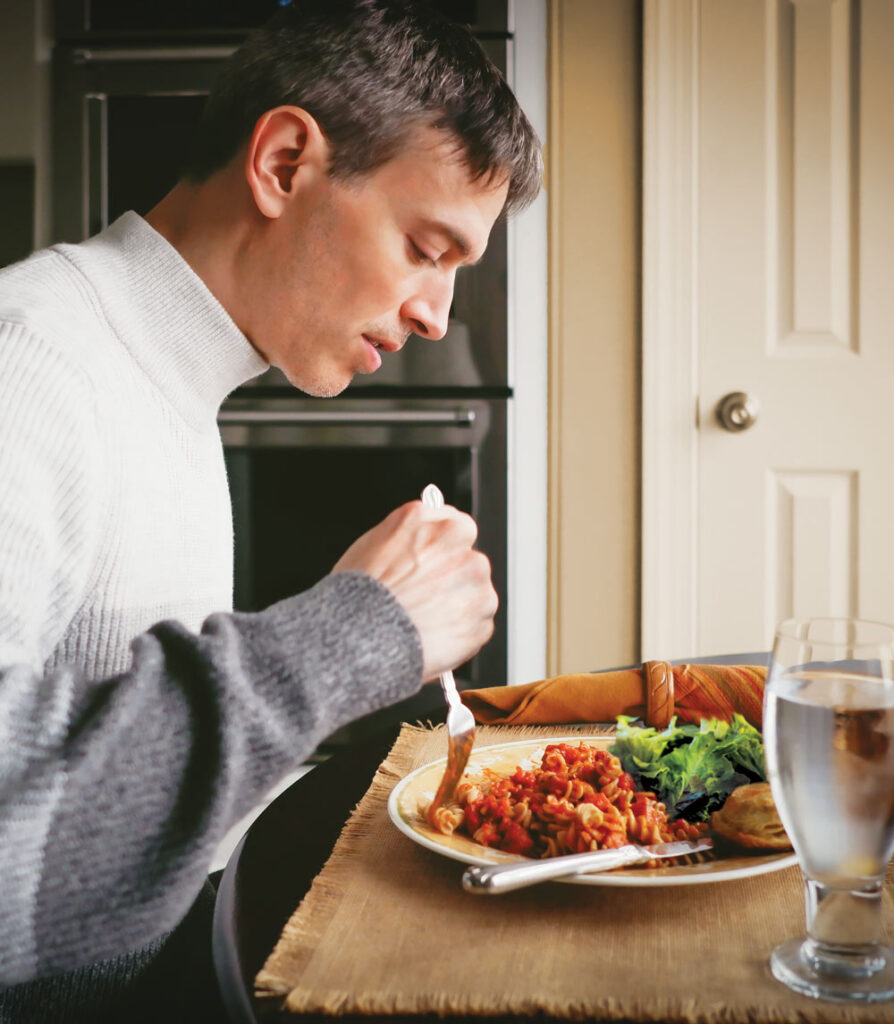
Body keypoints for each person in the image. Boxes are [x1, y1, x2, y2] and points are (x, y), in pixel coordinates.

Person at [0, 0, 541, 1019]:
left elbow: (149, 807)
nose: (437, 315)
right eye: (428, 248)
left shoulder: (165, 384)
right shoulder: (29, 363)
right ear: (286, 162)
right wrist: (360, 629)